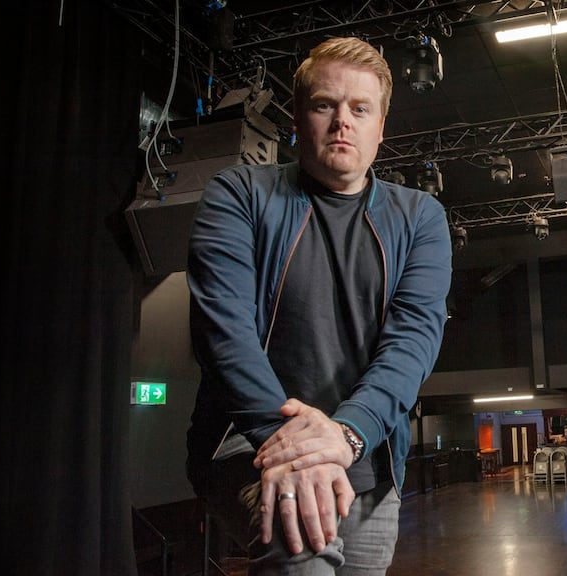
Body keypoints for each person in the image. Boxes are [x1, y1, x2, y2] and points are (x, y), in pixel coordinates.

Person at [185, 36, 452, 575]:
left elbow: (413, 343)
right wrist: (293, 446)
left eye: (360, 109)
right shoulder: (238, 194)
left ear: (381, 127)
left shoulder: (421, 217)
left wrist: (346, 436)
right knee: (301, 556)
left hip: (368, 461)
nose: (341, 123)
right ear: (297, 118)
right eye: (324, 105)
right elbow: (223, 332)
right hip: (250, 445)